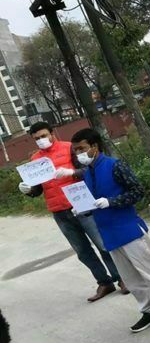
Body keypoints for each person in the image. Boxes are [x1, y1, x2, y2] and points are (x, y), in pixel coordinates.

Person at [71, 128, 150, 333]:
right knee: (130, 278)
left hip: (128, 228)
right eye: (75, 150)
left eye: (82, 148)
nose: (78, 154)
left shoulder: (114, 165)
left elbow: (137, 191)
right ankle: (149, 310)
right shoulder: (86, 174)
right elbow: (93, 203)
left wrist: (111, 202)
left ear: (94, 146)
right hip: (108, 233)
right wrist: (83, 209)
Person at [18, 122, 125, 302]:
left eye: (44, 136)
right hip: (59, 211)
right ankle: (104, 282)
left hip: (81, 203)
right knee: (82, 251)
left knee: (102, 243)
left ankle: (121, 278)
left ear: (52, 133)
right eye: (36, 138)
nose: (41, 140)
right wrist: (28, 190)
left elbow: (88, 169)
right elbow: (38, 189)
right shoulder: (35, 160)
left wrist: (70, 172)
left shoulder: (70, 147)